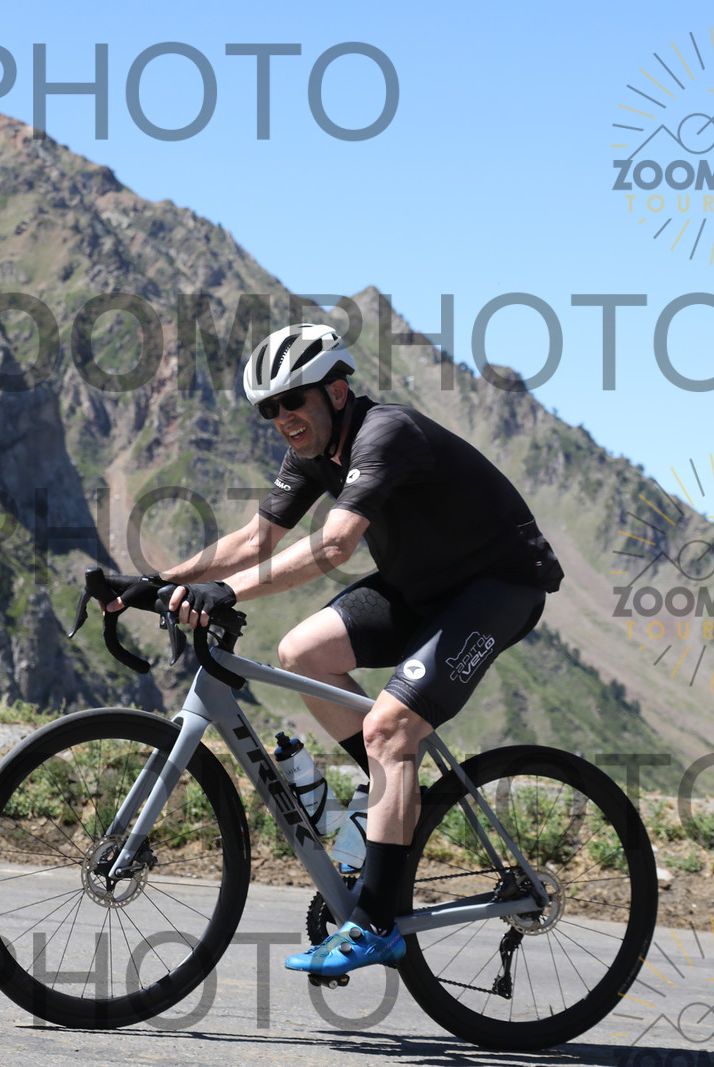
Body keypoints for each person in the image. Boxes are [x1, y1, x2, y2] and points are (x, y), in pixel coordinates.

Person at [107, 323, 562, 976]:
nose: (282, 418)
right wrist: (157, 583)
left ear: (338, 392)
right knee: (302, 651)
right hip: (420, 586)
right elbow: (254, 540)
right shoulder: (313, 452)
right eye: (269, 409)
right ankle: (390, 795)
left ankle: (377, 922)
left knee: (389, 728)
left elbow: (334, 546)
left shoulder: (386, 434)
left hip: (499, 586)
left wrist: (226, 592)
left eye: (293, 400)